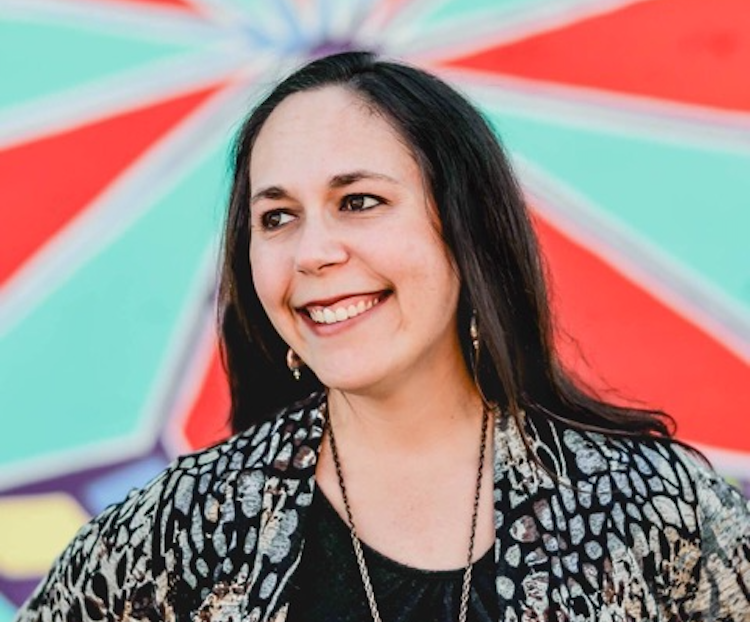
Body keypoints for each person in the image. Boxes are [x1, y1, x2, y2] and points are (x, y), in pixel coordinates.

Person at [15, 51, 750, 622]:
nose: (312, 252)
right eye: (277, 217)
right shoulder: (184, 534)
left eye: (359, 201)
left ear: (466, 229)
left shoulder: (653, 509)